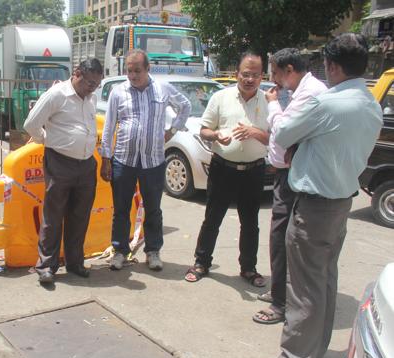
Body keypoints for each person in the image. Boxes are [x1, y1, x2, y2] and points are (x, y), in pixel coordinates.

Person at [256, 33, 382, 358]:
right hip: (341, 201)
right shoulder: (370, 104)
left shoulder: (327, 103)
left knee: (303, 286)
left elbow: (282, 133)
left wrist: (273, 106)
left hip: (314, 205)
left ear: (333, 65)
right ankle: (316, 348)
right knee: (324, 278)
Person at [252, 48, 328, 325]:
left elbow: (284, 132)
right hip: (287, 174)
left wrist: (273, 105)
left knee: (282, 238)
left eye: (275, 72)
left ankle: (280, 304)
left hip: (293, 177)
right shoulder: (300, 92)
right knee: (282, 238)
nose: (273, 79)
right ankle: (280, 292)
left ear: (289, 70)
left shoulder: (309, 94)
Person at [101, 49, 191, 271]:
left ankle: (153, 251)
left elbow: (185, 106)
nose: (133, 75)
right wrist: (106, 158)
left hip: (153, 161)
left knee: (154, 209)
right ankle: (120, 251)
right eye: (129, 71)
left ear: (148, 69)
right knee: (121, 209)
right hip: (123, 160)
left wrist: (172, 131)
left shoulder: (163, 89)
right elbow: (109, 126)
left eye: (137, 71)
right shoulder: (118, 92)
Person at [184, 51, 269, 286]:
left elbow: (276, 138)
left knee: (250, 222)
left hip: (254, 170)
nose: (249, 79)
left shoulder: (269, 102)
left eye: (255, 75)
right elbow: (204, 130)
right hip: (223, 169)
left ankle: (249, 268)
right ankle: (202, 262)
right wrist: (216, 135)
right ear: (236, 74)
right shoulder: (221, 98)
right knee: (212, 218)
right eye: (245, 74)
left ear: (262, 76)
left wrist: (256, 133)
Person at [23, 58, 104, 285]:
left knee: (80, 216)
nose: (92, 88)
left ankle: (75, 262)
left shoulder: (91, 97)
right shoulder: (56, 94)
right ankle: (46, 266)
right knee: (54, 215)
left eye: (96, 84)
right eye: (89, 82)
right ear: (77, 73)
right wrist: (48, 140)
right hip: (60, 163)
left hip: (86, 164)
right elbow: (31, 125)